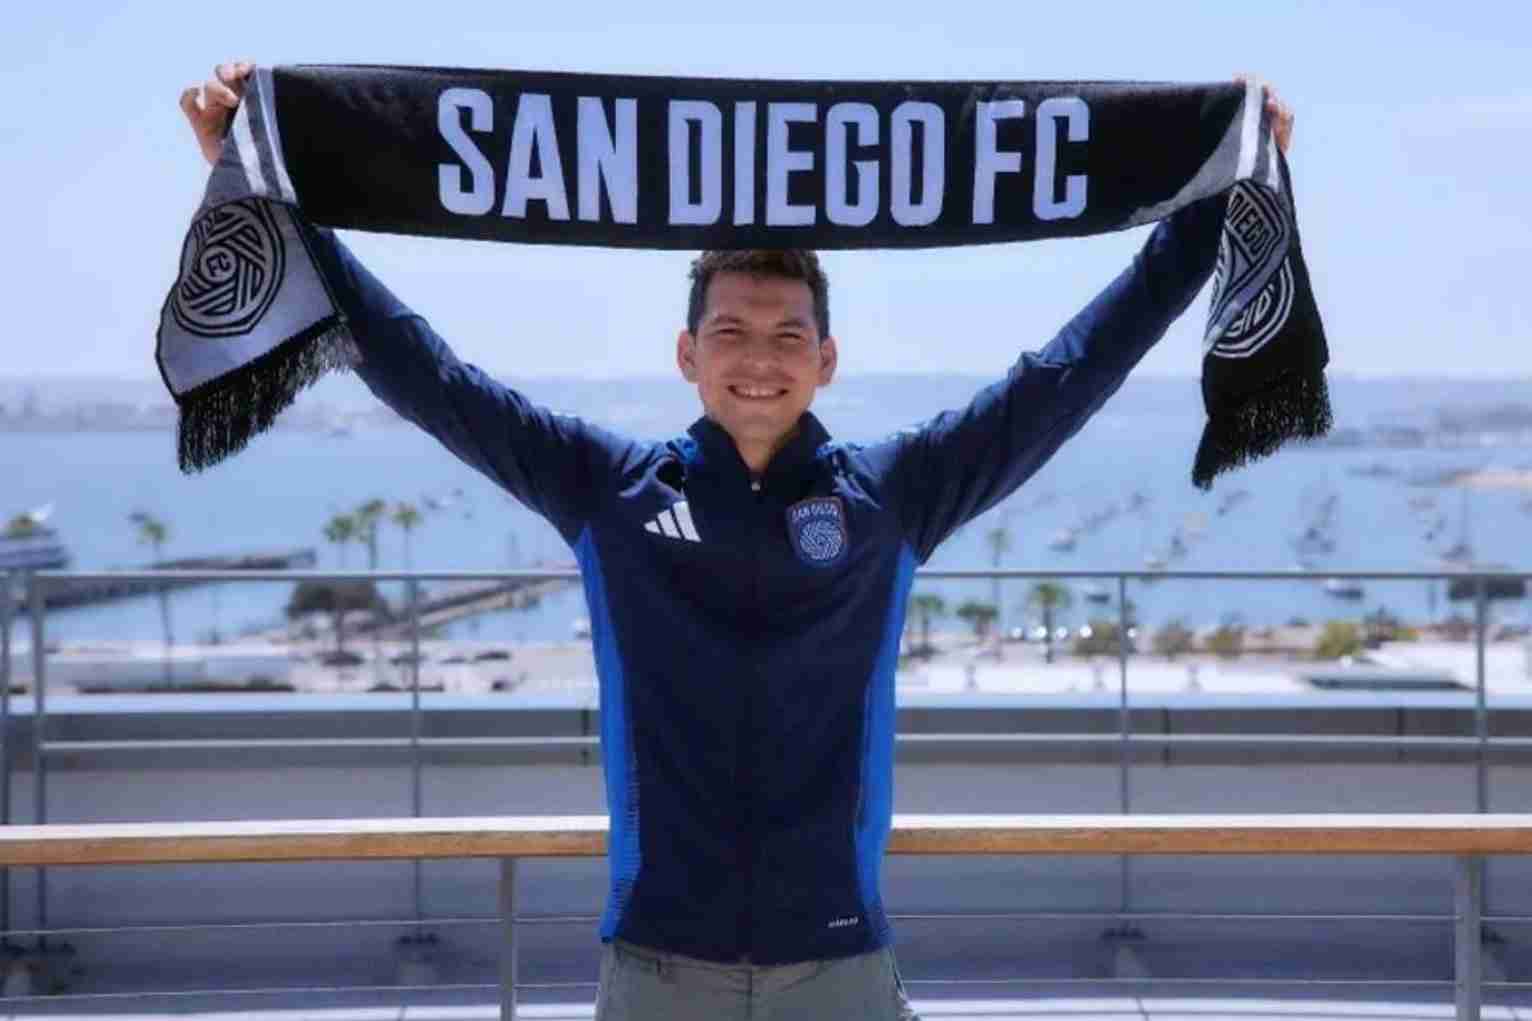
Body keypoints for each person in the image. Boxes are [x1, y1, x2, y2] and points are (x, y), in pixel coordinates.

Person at [182, 62, 1292, 1021]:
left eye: (785, 334)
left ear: (825, 359)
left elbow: (1065, 373)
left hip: (842, 964)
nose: (757, 356)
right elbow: (421, 367)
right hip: (656, 965)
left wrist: (1214, 203)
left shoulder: (895, 494)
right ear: (686, 352)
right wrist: (268, 192)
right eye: (730, 330)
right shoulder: (604, 488)